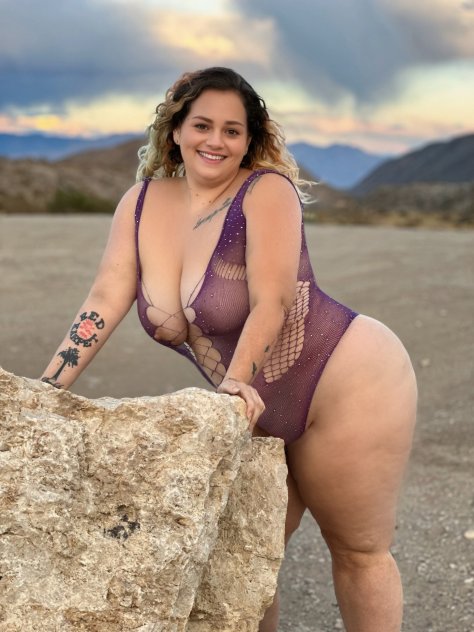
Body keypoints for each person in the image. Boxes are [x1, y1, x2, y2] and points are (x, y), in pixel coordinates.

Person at [41, 67, 417, 631]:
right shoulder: (140, 204)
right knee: (243, 564)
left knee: (356, 550)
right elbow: (105, 297)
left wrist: (233, 389)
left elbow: (273, 300)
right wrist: (46, 391)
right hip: (249, 408)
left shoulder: (266, 192)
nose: (215, 141)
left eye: (232, 130)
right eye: (202, 125)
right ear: (176, 130)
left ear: (248, 140)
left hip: (346, 381)